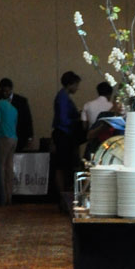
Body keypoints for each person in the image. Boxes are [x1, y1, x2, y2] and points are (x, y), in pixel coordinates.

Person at [51, 71, 83, 213]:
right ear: (70, 84)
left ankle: (65, 198)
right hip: (63, 135)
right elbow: (63, 120)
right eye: (76, 85)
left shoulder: (63, 96)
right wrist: (78, 119)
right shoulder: (63, 98)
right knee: (63, 166)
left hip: (64, 135)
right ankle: (64, 198)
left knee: (64, 166)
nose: (77, 88)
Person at [0, 78, 34, 152]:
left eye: (7, 91)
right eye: (3, 91)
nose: (5, 94)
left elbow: (27, 120)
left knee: (4, 157)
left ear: (11, 89)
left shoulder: (20, 101)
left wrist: (29, 137)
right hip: (6, 136)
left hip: (16, 136)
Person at [0, 84, 18, 205]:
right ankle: (9, 196)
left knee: (0, 166)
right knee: (9, 168)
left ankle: (0, 196)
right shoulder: (14, 109)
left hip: (3, 137)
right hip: (13, 138)